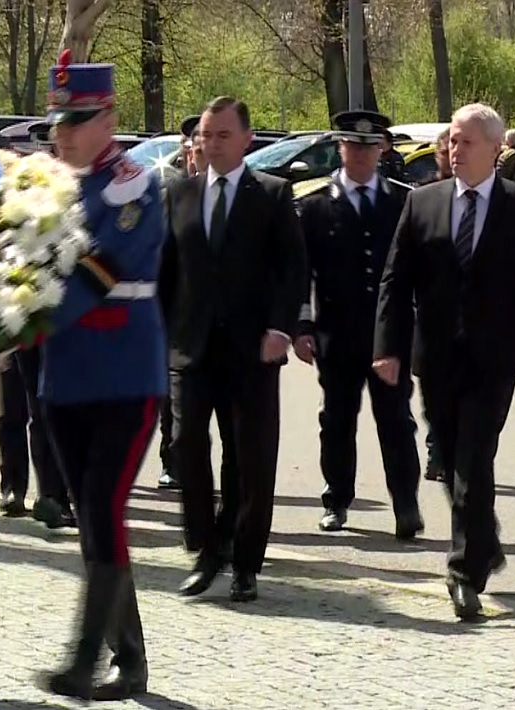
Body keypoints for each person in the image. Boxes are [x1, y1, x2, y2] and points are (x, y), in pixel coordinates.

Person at [373, 103, 515, 620]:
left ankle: (463, 571)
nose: (456, 150)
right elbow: (395, 280)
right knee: (455, 462)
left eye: (468, 142)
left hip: (495, 360)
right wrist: (386, 347)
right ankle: (486, 542)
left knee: (475, 459)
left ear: (496, 149)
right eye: (452, 141)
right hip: (436, 359)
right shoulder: (423, 203)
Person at [35, 50, 164, 701]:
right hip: (64, 381)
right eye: (58, 119)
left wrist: (28, 315)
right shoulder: (43, 186)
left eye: (77, 118)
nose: (62, 132)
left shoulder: (132, 182)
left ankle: (86, 658)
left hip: (124, 376)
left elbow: (107, 265)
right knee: (94, 519)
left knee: (106, 509)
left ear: (108, 116)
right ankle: (130, 656)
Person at [159, 96, 307, 603]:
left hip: (252, 350)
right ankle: (204, 547)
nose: (212, 143)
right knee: (186, 446)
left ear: (246, 140)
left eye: (223, 135)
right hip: (191, 349)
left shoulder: (271, 194)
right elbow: (167, 272)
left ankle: (244, 561)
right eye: (205, 134)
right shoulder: (179, 193)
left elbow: (292, 271)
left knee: (250, 459)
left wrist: (281, 329)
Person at [294, 110, 422, 539]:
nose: (362, 153)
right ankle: (336, 499)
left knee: (396, 421)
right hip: (337, 332)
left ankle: (406, 504)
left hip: (389, 335)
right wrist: (303, 327)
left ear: (382, 149)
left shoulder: (403, 201)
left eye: (370, 146)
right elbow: (301, 273)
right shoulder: (314, 204)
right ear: (340, 147)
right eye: (353, 145)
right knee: (337, 420)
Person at [156, 114, 235, 492]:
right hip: (179, 325)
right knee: (175, 409)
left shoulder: (235, 195)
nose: (197, 154)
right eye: (191, 148)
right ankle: (172, 464)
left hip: (224, 329)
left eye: (201, 147)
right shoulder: (174, 196)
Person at [0, 349, 75, 528]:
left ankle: (51, 496)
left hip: (45, 334)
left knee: (45, 413)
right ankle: (14, 488)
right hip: (10, 336)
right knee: (9, 407)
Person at [419, 127, 452, 481]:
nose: (451, 159)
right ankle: (436, 453)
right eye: (444, 153)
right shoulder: (423, 195)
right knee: (436, 401)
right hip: (432, 315)